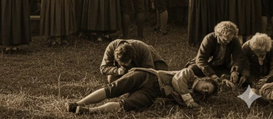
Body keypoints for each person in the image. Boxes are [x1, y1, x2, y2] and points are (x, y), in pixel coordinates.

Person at [67, 67, 218, 114]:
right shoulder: (189, 73)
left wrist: (192, 100)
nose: (204, 91)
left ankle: (87, 111)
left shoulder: (193, 94)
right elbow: (177, 80)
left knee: (125, 105)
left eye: (207, 93)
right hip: (148, 76)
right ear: (203, 79)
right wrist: (188, 99)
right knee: (112, 89)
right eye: (206, 87)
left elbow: (176, 98)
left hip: (152, 93)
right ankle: (77, 103)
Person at [100, 39, 168, 83]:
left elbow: (149, 69)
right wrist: (117, 71)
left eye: (127, 63)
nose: (125, 66)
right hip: (123, 72)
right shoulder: (111, 47)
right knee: (111, 79)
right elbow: (103, 68)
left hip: (149, 64)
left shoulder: (142, 48)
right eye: (122, 64)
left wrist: (136, 74)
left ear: (133, 57)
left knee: (158, 78)